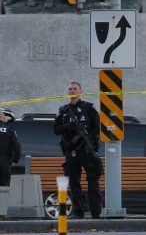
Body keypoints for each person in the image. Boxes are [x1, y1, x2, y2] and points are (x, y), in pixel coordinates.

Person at [54, 81, 102, 219]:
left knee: (93, 183)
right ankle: (79, 213)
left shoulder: (89, 109)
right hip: (71, 152)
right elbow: (56, 130)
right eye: (70, 89)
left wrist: (91, 144)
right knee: (74, 185)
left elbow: (96, 129)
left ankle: (96, 213)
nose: (72, 91)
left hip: (87, 151)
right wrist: (67, 126)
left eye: (75, 88)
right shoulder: (63, 111)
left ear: (81, 91)